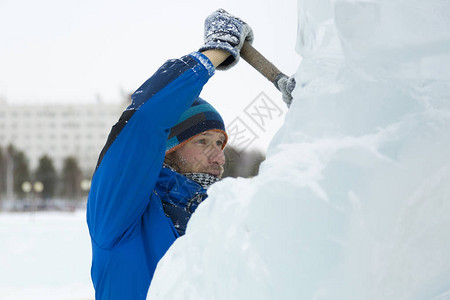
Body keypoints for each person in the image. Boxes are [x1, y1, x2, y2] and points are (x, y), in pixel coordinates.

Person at [86, 9, 254, 300]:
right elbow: (145, 121)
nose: (219, 157)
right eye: (202, 142)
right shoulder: (120, 215)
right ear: (168, 149)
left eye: (220, 144)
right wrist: (215, 52)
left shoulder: (222, 218)